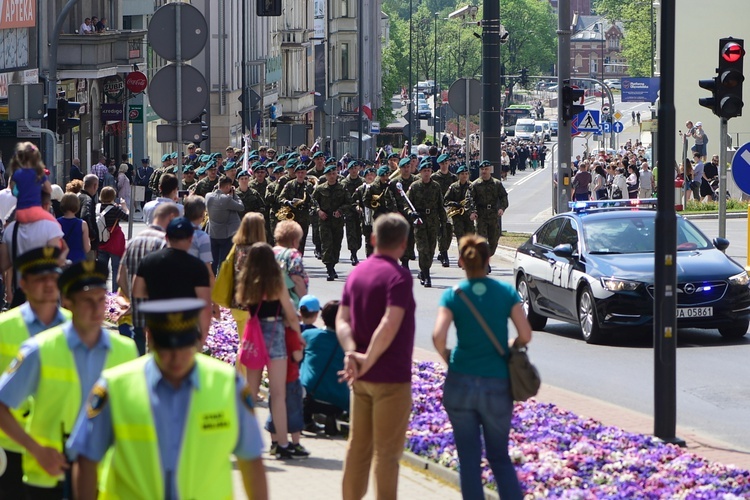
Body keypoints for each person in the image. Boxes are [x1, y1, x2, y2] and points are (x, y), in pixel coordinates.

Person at [67, 298, 268, 500]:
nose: (176, 357)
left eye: (183, 348)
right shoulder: (114, 386)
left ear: (197, 340)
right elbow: (87, 460)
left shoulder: (228, 385)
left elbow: (251, 460)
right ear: (150, 338)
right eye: (166, 349)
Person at [0, 260, 137, 497]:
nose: (96, 308)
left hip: (105, 477)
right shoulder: (39, 349)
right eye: (87, 301)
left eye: (101, 299)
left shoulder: (126, 350)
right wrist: (36, 450)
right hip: (51, 475)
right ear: (68, 302)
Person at [432, 234, 532, 499]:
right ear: (488, 259)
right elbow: (525, 335)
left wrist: (449, 359)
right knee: (499, 457)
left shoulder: (453, 295)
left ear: (461, 261)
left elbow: (438, 337)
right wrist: (510, 344)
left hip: (460, 382)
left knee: (468, 460)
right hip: (497, 383)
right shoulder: (506, 292)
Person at [336, 213, 415, 500]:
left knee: (357, 448)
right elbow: (390, 323)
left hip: (360, 376)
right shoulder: (400, 276)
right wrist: (368, 358)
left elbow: (342, 320)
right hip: (391, 377)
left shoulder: (356, 273)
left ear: (373, 239)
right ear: (404, 243)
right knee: (387, 455)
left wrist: (351, 354)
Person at [0, 247, 71, 498]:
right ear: (23, 284)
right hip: (9, 447)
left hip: (58, 449)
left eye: (54, 278)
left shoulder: (75, 328)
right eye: (41, 279)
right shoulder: (4, 328)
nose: (49, 285)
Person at [235, 242, 302, 459]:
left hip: (253, 336)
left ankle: (244, 440)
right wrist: (299, 337)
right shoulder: (277, 283)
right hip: (275, 335)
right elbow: (291, 315)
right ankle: (281, 443)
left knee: (250, 394)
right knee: (278, 394)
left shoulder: (246, 282)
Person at [133, 216, 212, 344]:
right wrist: (203, 335)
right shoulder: (198, 267)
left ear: (166, 237)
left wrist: (156, 292)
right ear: (191, 239)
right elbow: (205, 305)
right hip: (186, 331)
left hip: (157, 329)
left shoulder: (149, 261)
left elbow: (137, 291)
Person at [117, 202, 180, 355]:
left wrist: (133, 298)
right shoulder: (165, 243)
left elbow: (120, 277)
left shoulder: (133, 241)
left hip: (137, 311)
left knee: (139, 355)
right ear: (171, 217)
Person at [300, 300, 348, 435]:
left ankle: (306, 418)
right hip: (339, 400)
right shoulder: (348, 343)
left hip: (309, 396)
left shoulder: (309, 335)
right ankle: (332, 416)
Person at [408, 159, 447, 287]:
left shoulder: (436, 186)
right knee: (422, 248)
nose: (427, 173)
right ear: (420, 172)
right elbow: (406, 204)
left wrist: (443, 223)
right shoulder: (415, 186)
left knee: (431, 249)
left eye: (429, 171)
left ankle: (425, 270)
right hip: (420, 221)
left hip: (433, 220)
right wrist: (411, 213)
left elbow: (440, 206)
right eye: (424, 171)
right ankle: (426, 274)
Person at [470, 161, 509, 273]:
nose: (484, 171)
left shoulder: (496, 184)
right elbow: (470, 199)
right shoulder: (475, 184)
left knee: (493, 241)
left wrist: (502, 208)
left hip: (493, 214)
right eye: (482, 169)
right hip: (481, 215)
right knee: (481, 240)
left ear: (490, 170)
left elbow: (504, 197)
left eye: (486, 169)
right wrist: (472, 212)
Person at [313, 163, 350, 280]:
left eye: (334, 173)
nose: (332, 176)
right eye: (329, 174)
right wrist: (319, 211)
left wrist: (341, 210)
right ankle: (329, 269)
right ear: (326, 176)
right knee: (327, 245)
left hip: (337, 221)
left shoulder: (342, 188)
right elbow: (312, 203)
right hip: (324, 221)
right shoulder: (320, 189)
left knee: (336, 245)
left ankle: (332, 265)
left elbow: (349, 203)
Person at [7, 142, 56, 224]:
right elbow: (49, 189)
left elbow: (13, 191)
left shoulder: (16, 174)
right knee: (56, 228)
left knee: (7, 224)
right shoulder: (39, 173)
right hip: (36, 210)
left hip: (20, 210)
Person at [206, 175, 245, 275]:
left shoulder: (208, 196)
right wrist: (234, 195)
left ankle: (211, 282)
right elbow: (241, 207)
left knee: (213, 262)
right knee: (223, 262)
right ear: (228, 187)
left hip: (212, 233)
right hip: (225, 235)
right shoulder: (227, 200)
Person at [277, 163, 316, 256]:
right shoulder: (289, 184)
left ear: (306, 173)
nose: (301, 174)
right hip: (292, 215)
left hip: (304, 216)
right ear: (295, 173)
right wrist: (288, 202)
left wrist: (309, 204)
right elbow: (280, 198)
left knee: (302, 240)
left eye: (303, 172)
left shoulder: (309, 185)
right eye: (299, 172)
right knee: (290, 239)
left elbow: (314, 200)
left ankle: (299, 258)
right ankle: (289, 257)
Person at [96, 186, 129, 292]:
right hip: (115, 242)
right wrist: (125, 207)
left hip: (101, 241)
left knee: (101, 269)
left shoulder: (97, 207)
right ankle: (114, 293)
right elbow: (128, 217)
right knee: (116, 268)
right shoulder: (115, 209)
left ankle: (101, 292)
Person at [273, 220, 308, 308]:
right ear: (294, 241)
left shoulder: (269, 252)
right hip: (289, 303)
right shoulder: (293, 255)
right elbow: (297, 280)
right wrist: (305, 303)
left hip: (270, 300)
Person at [432, 153, 457, 268]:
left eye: (446, 163)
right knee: (441, 231)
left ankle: (443, 250)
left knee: (448, 231)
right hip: (437, 208)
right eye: (442, 164)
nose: (444, 166)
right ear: (439, 164)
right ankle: (444, 254)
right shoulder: (434, 178)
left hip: (449, 208)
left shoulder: (453, 178)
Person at [444, 164, 475, 246]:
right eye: (462, 174)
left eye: (466, 174)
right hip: (457, 216)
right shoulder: (453, 187)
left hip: (469, 215)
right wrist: (454, 204)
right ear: (458, 175)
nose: (464, 176)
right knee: (460, 238)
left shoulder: (472, 186)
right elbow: (445, 200)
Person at [341, 161, 364, 266]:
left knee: (359, 234)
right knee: (351, 233)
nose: (354, 171)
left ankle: (356, 249)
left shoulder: (362, 182)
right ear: (348, 170)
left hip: (361, 212)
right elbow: (344, 199)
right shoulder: (344, 183)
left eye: (356, 168)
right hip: (349, 211)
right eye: (352, 169)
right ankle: (353, 253)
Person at [57, 193, 90, 264]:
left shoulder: (56, 223)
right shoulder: (83, 224)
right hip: (78, 260)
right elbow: (86, 248)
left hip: (62, 260)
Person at [77, 174, 99, 258]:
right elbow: (85, 216)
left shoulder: (78, 196)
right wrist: (92, 234)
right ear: (95, 185)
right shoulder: (87, 200)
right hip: (88, 245)